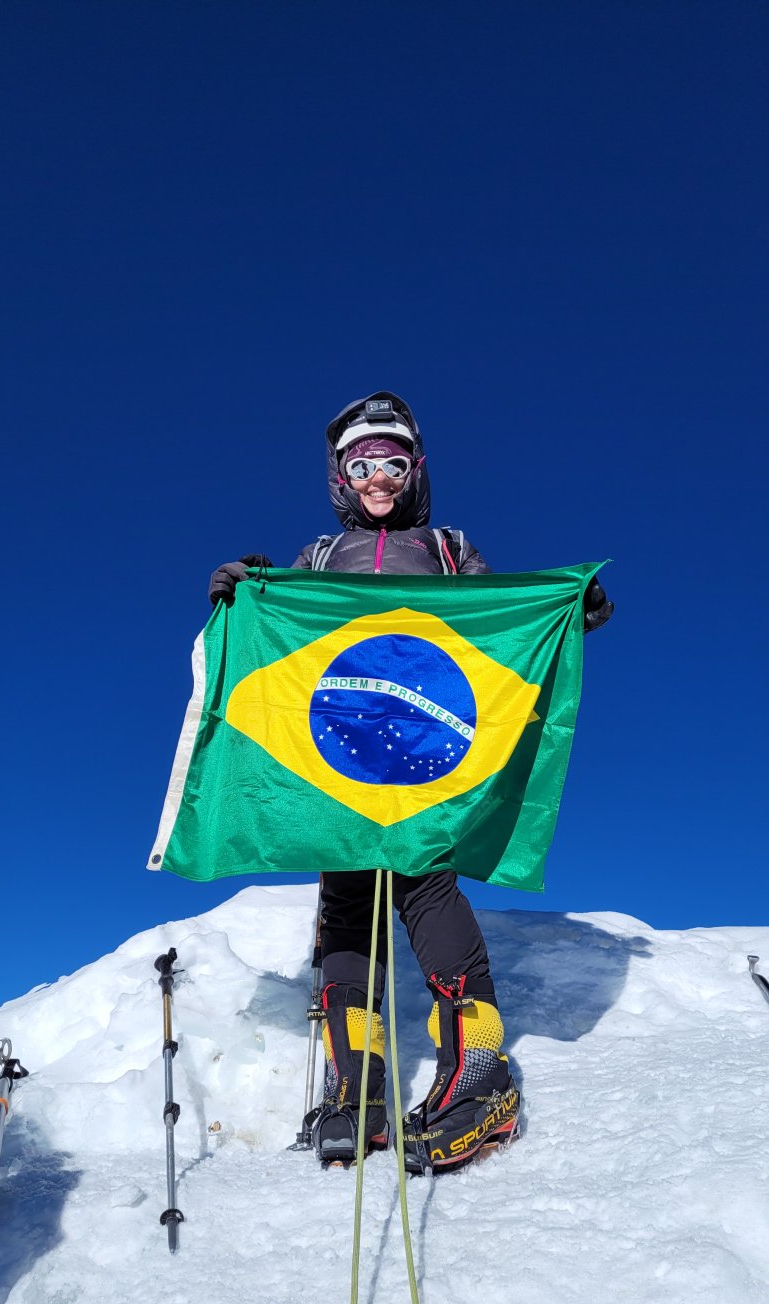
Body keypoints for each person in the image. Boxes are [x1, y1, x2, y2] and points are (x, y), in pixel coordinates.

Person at [209, 392, 613, 1172]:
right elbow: (283, 639)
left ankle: (479, 1073)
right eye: (360, 463)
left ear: (415, 471)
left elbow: (499, 623)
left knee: (425, 884)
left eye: (392, 462)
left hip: (429, 747)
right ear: (340, 477)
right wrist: (249, 591)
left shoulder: (448, 548)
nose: (378, 477)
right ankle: (354, 1084)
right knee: (348, 896)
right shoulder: (318, 557)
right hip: (340, 750)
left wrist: (566, 609)